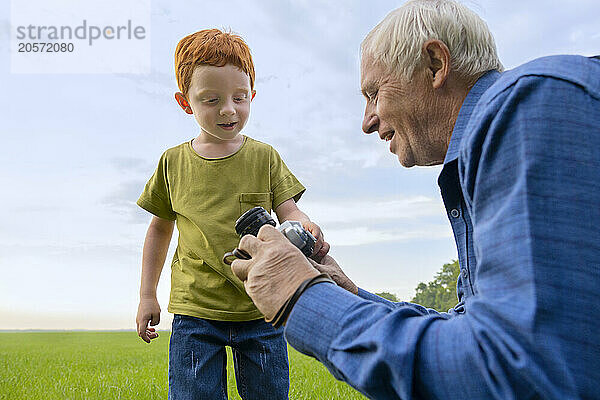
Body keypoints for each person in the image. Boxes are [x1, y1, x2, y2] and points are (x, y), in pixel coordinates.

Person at [230, 1, 600, 399]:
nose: (367, 120)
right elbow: (471, 330)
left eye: (374, 92)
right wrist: (343, 293)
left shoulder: (526, 106)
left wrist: (302, 296)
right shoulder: (492, 147)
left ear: (436, 64)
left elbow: (517, 373)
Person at [135, 29, 329, 400]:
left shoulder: (264, 156)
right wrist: (148, 295)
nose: (228, 109)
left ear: (252, 96)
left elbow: (289, 208)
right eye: (211, 99)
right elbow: (159, 230)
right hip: (196, 308)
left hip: (261, 305)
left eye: (240, 98)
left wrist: (305, 224)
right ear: (185, 102)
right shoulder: (172, 162)